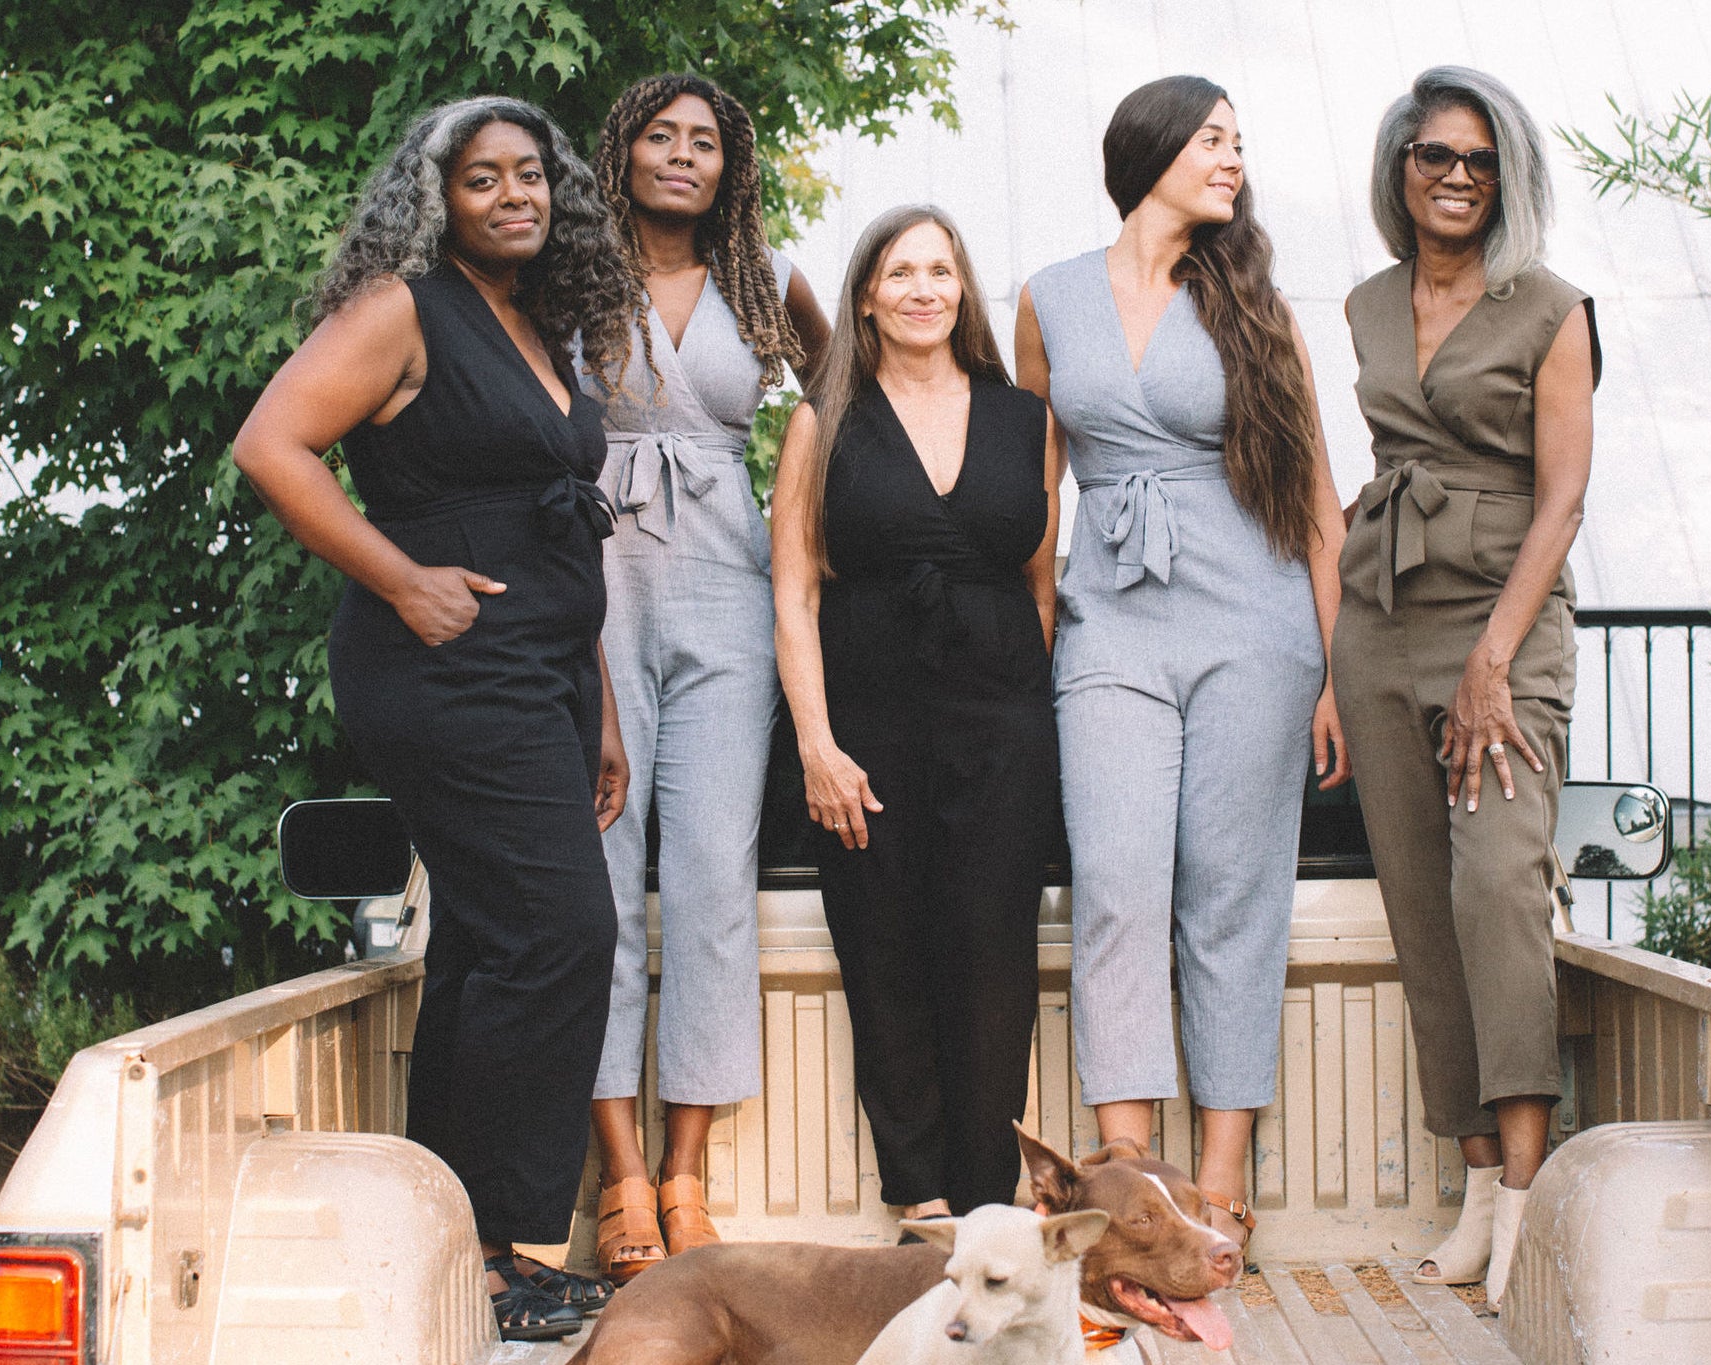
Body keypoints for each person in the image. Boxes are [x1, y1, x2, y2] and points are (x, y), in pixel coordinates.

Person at [231, 96, 639, 1342]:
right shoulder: (402, 309)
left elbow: (555, 524)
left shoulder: (540, 320)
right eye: (482, 180)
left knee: (485, 944)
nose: (514, 195)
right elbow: (270, 444)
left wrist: (602, 702)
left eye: (531, 175)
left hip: (545, 667)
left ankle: (451, 1240)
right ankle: (502, 1246)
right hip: (444, 665)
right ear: (435, 198)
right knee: (564, 933)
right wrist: (401, 579)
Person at [1013, 75, 1350, 1249]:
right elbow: (1034, 487)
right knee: (1112, 886)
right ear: (1149, 151)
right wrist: (1036, 630)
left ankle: (1215, 1184)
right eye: (1212, 139)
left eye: (1236, 144)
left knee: (1230, 893)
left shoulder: (1253, 299)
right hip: (1109, 620)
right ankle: (1127, 1176)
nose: (1230, 160)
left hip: (1252, 618)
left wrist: (1332, 672)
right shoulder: (1049, 299)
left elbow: (1313, 493)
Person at [1331, 66, 1598, 1307]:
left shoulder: (1550, 307)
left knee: (1495, 883)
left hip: (1504, 619)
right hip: (1379, 619)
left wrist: (1493, 658)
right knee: (1421, 907)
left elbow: (1562, 499)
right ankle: (1477, 1182)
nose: (1451, 176)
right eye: (1431, 155)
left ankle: (1531, 1202)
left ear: (1507, 180)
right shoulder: (1364, 303)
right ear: (1399, 168)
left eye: (1476, 161)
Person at [579, 73, 830, 1283]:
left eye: (707, 144)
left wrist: (812, 530)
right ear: (622, 151)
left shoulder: (764, 282)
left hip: (729, 591)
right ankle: (616, 1174)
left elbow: (850, 398)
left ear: (729, 169)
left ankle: (687, 1174)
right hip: (596, 590)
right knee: (603, 878)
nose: (684, 157)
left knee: (712, 878)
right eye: (662, 137)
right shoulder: (568, 278)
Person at [773, 205, 1060, 1222]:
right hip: (866, 715)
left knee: (991, 959)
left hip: (999, 718)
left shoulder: (1026, 418)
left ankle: (987, 1203)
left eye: (941, 269)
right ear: (864, 296)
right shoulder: (823, 419)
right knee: (884, 949)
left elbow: (1038, 586)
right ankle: (917, 1202)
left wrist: (1025, 722)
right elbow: (794, 592)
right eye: (901, 272)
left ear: (961, 290)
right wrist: (815, 743)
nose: (924, 288)